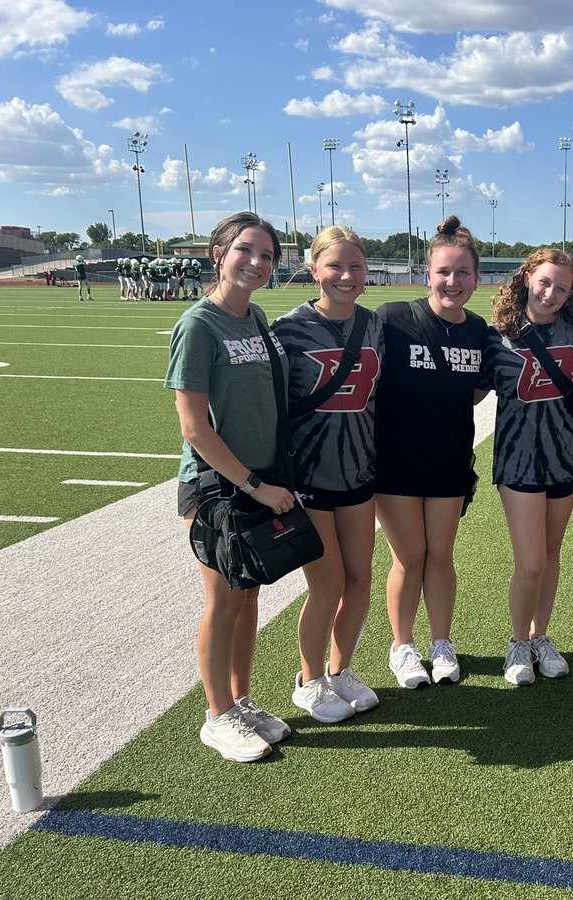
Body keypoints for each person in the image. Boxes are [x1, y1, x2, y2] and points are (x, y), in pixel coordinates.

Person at [165, 211, 294, 763]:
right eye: (245, 249)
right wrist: (255, 486)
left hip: (259, 478)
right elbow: (194, 427)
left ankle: (240, 701)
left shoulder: (256, 316)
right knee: (222, 600)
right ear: (218, 253)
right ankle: (216, 716)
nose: (256, 262)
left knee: (249, 595)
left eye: (267, 255)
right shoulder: (199, 325)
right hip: (217, 487)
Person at [271, 226, 383, 723]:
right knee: (327, 584)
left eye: (355, 266)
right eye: (335, 265)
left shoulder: (375, 325)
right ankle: (309, 678)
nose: (346, 275)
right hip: (309, 476)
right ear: (314, 269)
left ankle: (340, 671)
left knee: (359, 580)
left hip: (359, 470)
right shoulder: (288, 330)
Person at [374, 216, 488, 689]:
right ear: (428, 275)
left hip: (449, 460)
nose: (452, 281)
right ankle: (402, 646)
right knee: (410, 555)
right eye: (444, 271)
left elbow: (477, 391)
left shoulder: (478, 330)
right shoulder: (392, 317)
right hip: (395, 462)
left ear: (476, 279)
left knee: (440, 554)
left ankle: (442, 642)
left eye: (463, 272)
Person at [482, 249, 573, 686]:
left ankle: (540, 636)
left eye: (561, 288)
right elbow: (468, 392)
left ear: (571, 293)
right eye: (545, 282)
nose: (550, 293)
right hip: (518, 459)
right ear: (527, 277)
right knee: (530, 562)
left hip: (566, 457)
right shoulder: (498, 336)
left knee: (550, 555)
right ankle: (517, 641)